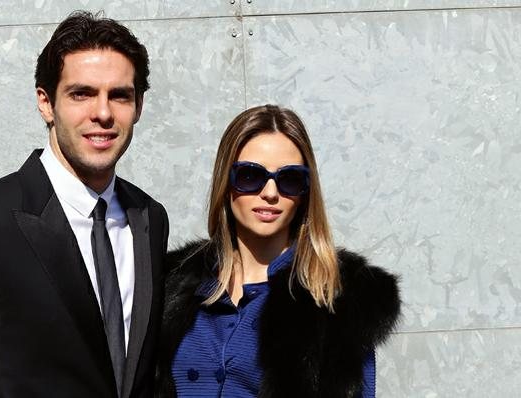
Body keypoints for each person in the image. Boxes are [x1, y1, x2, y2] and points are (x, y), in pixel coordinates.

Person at [0, 11, 169, 397]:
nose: (102, 113)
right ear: (46, 103)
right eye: (81, 93)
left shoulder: (149, 218)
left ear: (138, 106)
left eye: (119, 95)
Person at [156, 105, 401, 397]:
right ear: (226, 181)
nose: (270, 193)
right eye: (250, 176)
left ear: (306, 191)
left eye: (290, 179)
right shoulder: (170, 285)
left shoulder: (340, 297)